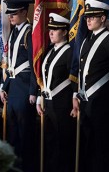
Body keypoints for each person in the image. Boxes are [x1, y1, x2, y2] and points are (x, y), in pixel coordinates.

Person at [70, 0, 109, 172]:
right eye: (87, 17)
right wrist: (76, 95)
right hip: (87, 101)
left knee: (102, 146)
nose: (88, 20)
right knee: (88, 145)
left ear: (103, 18)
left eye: (93, 17)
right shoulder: (86, 39)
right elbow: (81, 71)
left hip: (103, 101)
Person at [0, 0, 38, 172]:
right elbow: (11, 63)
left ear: (24, 12)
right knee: (13, 132)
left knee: (25, 133)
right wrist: (3, 86)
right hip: (13, 87)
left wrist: (33, 90)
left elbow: (34, 64)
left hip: (24, 89)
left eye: (13, 13)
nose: (10, 17)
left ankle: (26, 166)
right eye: (9, 14)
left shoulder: (30, 33)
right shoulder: (14, 32)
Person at [36, 13, 75, 172]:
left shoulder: (70, 52)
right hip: (48, 104)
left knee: (62, 144)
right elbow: (44, 78)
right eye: (50, 29)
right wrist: (39, 98)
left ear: (65, 32)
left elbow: (73, 79)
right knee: (49, 142)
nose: (51, 32)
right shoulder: (50, 51)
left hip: (62, 105)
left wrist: (74, 101)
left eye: (55, 29)